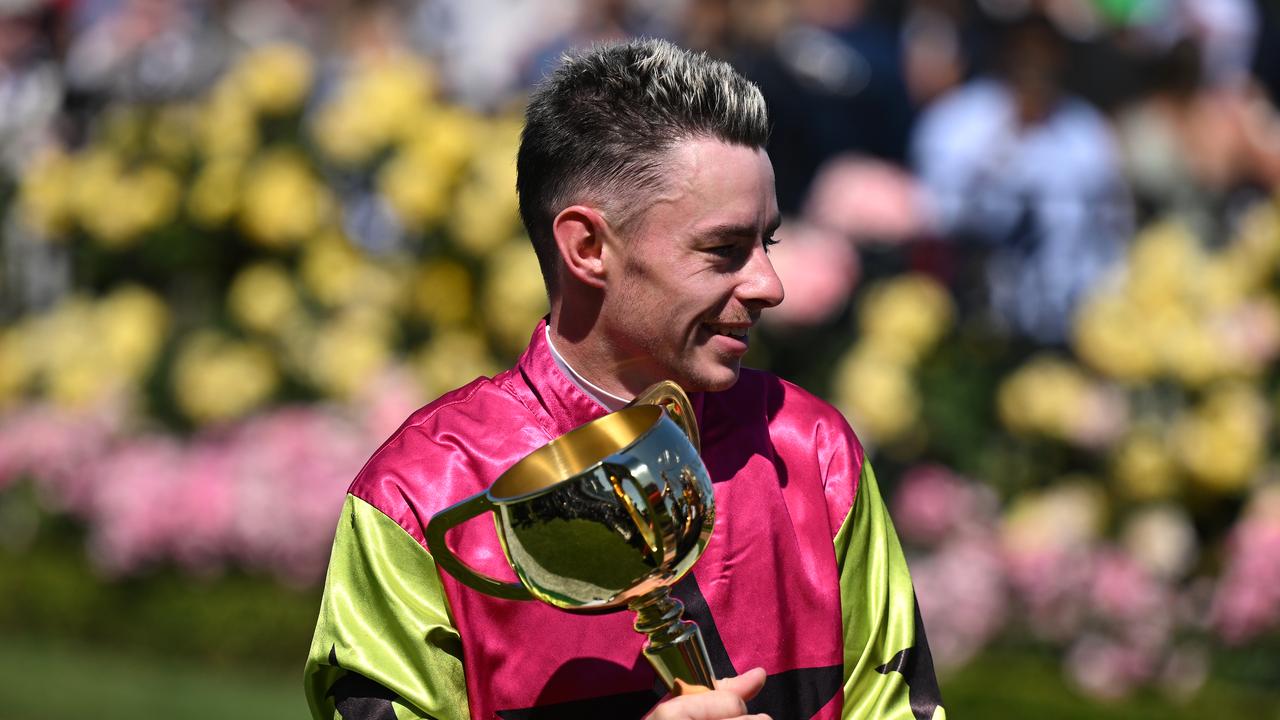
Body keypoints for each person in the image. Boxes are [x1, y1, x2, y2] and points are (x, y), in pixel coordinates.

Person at [304, 38, 942, 720]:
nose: (769, 285)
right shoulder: (417, 496)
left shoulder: (812, 449)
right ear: (587, 248)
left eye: (769, 243)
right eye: (725, 249)